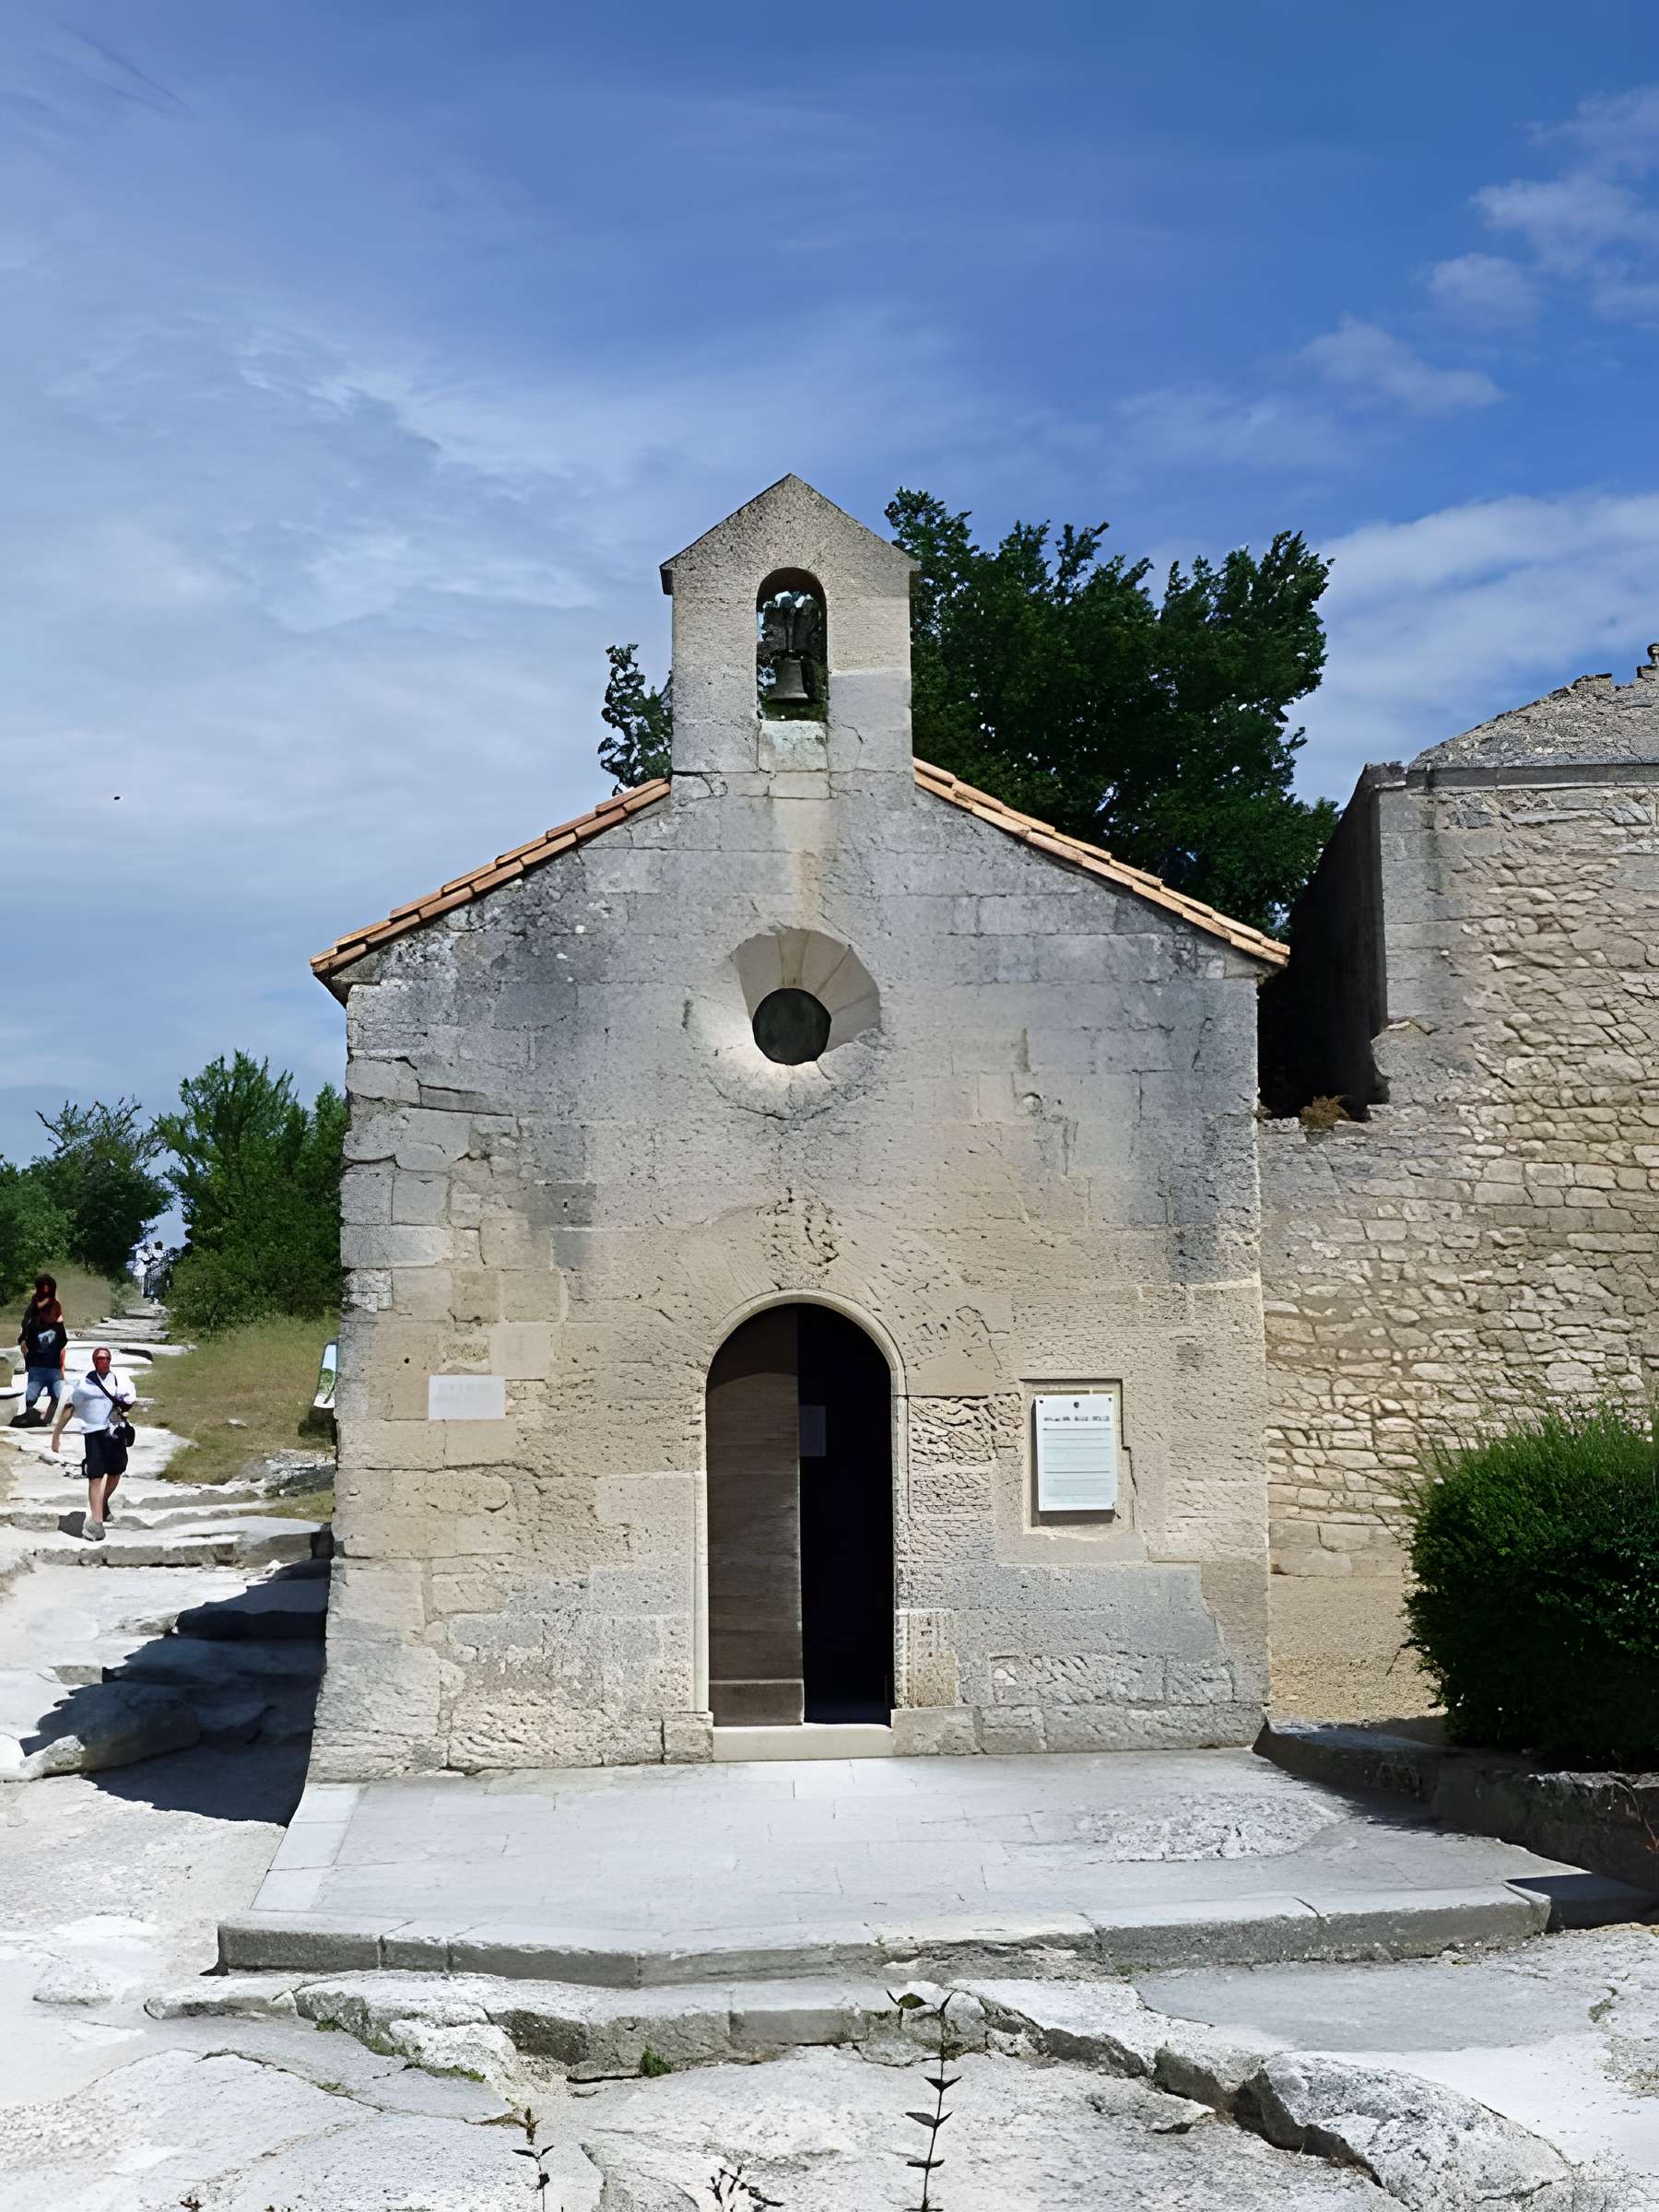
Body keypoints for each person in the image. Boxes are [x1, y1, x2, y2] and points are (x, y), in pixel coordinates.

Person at [50, 1346, 136, 1543]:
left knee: (116, 1472)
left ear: (110, 1360)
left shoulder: (118, 1381)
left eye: (106, 1358)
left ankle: (102, 1502)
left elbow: (128, 1402)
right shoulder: (85, 1384)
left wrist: (125, 1406)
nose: (103, 1362)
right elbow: (70, 1407)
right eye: (99, 1359)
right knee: (95, 1475)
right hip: (93, 1433)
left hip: (115, 1431)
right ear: (94, 1361)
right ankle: (96, 1523)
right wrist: (56, 1434)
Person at [17, 1275, 68, 1429]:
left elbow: (62, 1339)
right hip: (37, 1360)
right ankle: (33, 1417)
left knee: (56, 1395)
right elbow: (26, 1325)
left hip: (51, 1362)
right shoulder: (34, 1307)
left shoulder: (55, 1307)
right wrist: (24, 1341)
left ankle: (45, 1420)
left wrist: (60, 1360)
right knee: (32, 1394)